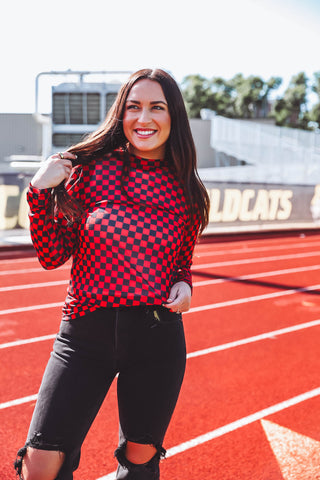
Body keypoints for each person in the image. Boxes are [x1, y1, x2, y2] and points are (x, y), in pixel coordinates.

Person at [14, 68, 210, 480]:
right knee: (39, 465)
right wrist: (38, 192)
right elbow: (52, 255)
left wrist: (184, 284)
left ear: (173, 116)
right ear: (120, 116)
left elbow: (181, 263)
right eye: (133, 107)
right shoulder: (92, 171)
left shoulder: (189, 191)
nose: (144, 118)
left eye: (157, 107)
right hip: (83, 336)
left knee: (139, 465)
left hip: (156, 339)